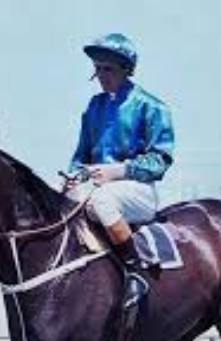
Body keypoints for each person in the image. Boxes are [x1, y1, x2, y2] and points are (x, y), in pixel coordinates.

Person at [67, 33, 175, 308]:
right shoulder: (95, 106)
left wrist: (120, 171)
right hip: (96, 186)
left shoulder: (151, 106)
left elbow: (160, 161)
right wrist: (73, 176)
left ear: (126, 70)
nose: (101, 76)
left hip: (138, 190)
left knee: (102, 201)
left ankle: (134, 272)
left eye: (108, 69)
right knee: (61, 201)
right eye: (98, 69)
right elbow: (81, 156)